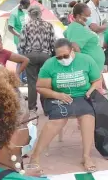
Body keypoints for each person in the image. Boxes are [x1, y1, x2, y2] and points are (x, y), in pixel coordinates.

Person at [30, 38, 101, 172]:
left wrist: (90, 91)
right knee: (58, 120)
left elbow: (97, 80)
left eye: (66, 56)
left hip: (81, 96)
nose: (63, 59)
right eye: (59, 57)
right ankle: (35, 156)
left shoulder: (86, 60)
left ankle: (86, 156)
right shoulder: (49, 65)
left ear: (72, 51)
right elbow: (40, 87)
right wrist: (58, 95)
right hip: (56, 97)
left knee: (88, 118)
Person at [18, 5, 55, 113]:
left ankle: (32, 108)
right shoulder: (49, 25)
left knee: (32, 83)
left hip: (30, 56)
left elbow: (21, 44)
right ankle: (47, 109)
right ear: (40, 13)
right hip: (46, 56)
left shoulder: (26, 26)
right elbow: (53, 43)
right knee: (45, 82)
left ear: (29, 14)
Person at [64, 3, 105, 72]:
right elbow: (74, 46)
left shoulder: (80, 27)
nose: (89, 18)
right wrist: (81, 64)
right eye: (87, 16)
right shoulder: (76, 28)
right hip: (88, 68)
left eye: (90, 15)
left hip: (93, 68)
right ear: (78, 16)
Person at [8, 0, 30, 83]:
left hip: (27, 40)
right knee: (21, 60)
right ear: (21, 5)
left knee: (26, 60)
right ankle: (18, 79)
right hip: (20, 41)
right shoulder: (14, 14)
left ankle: (24, 79)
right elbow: (10, 28)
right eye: (25, 6)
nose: (26, 8)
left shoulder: (24, 12)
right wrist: (18, 35)